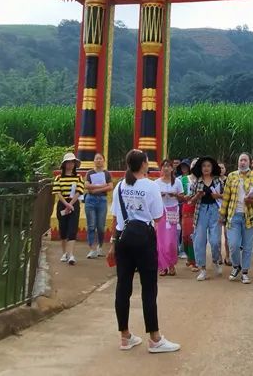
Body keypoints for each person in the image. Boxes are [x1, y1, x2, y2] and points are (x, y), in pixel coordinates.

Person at [109, 149, 180, 353]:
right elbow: (158, 216)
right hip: (144, 241)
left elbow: (115, 218)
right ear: (143, 164)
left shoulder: (120, 186)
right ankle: (155, 338)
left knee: (123, 288)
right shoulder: (150, 186)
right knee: (149, 289)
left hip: (123, 240)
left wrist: (113, 243)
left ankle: (125, 336)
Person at [219, 152, 253, 284]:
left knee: (248, 247)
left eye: (245, 160)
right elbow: (226, 196)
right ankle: (236, 266)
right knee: (234, 244)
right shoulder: (232, 176)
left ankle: (244, 272)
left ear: (249, 162)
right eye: (240, 160)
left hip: (249, 216)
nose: (242, 162)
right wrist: (222, 214)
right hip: (234, 215)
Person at [189, 156, 223, 281]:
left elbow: (226, 196)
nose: (206, 168)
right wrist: (197, 196)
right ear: (200, 168)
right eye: (204, 166)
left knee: (215, 241)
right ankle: (202, 268)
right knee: (199, 241)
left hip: (215, 210)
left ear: (212, 167)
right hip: (201, 211)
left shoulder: (219, 181)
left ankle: (216, 261)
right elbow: (190, 201)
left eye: (208, 166)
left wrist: (217, 195)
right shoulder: (196, 182)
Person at [53, 152, 85, 265]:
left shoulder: (79, 177)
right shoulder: (58, 178)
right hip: (62, 204)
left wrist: (71, 204)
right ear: (64, 164)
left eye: (72, 162)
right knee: (63, 229)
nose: (70, 164)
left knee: (72, 229)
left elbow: (79, 191)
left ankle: (71, 254)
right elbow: (57, 192)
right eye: (68, 162)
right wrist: (66, 205)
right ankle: (64, 253)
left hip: (74, 203)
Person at [155, 159, 184, 276]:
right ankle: (162, 266)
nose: (166, 169)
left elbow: (182, 197)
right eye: (164, 166)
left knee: (171, 240)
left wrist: (175, 195)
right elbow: (153, 198)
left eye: (168, 166)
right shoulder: (156, 182)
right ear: (161, 169)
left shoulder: (177, 182)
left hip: (173, 211)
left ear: (172, 168)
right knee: (161, 240)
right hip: (161, 212)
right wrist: (159, 195)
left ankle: (171, 264)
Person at [84, 153, 113, 259]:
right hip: (90, 200)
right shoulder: (89, 173)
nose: (99, 160)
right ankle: (92, 249)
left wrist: (96, 189)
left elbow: (110, 187)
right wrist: (102, 186)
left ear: (104, 161)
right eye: (97, 158)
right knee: (91, 225)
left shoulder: (106, 174)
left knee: (100, 226)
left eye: (100, 158)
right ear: (94, 161)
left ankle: (100, 246)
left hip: (102, 200)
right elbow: (86, 185)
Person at [176, 160, 197, 269]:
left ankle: (194, 261)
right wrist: (184, 197)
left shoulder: (203, 180)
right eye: (193, 165)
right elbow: (178, 195)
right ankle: (189, 257)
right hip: (186, 209)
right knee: (186, 236)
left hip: (198, 209)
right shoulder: (182, 180)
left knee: (196, 236)